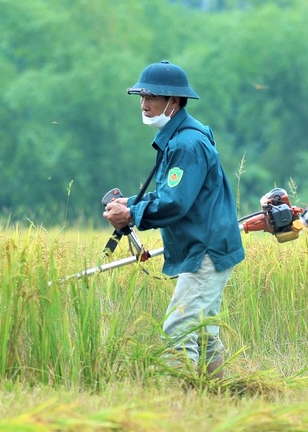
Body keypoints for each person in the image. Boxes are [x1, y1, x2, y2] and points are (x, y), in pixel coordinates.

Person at [103, 61, 245, 377]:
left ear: (174, 101)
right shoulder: (180, 138)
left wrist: (132, 213)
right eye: (141, 96)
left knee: (178, 327)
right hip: (207, 245)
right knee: (204, 332)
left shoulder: (187, 143)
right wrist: (132, 203)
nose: (144, 104)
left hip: (205, 249)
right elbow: (176, 193)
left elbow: (175, 203)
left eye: (152, 96)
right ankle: (217, 395)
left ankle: (179, 399)